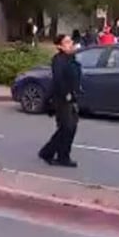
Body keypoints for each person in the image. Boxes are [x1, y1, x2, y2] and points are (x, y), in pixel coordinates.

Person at [38, 34, 81, 168]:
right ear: (59, 46)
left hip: (72, 97)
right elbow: (58, 80)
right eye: (67, 42)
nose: (71, 43)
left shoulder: (71, 58)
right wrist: (66, 94)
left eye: (70, 41)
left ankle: (53, 153)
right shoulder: (58, 60)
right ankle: (55, 154)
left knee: (70, 127)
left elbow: (74, 77)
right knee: (67, 127)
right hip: (62, 99)